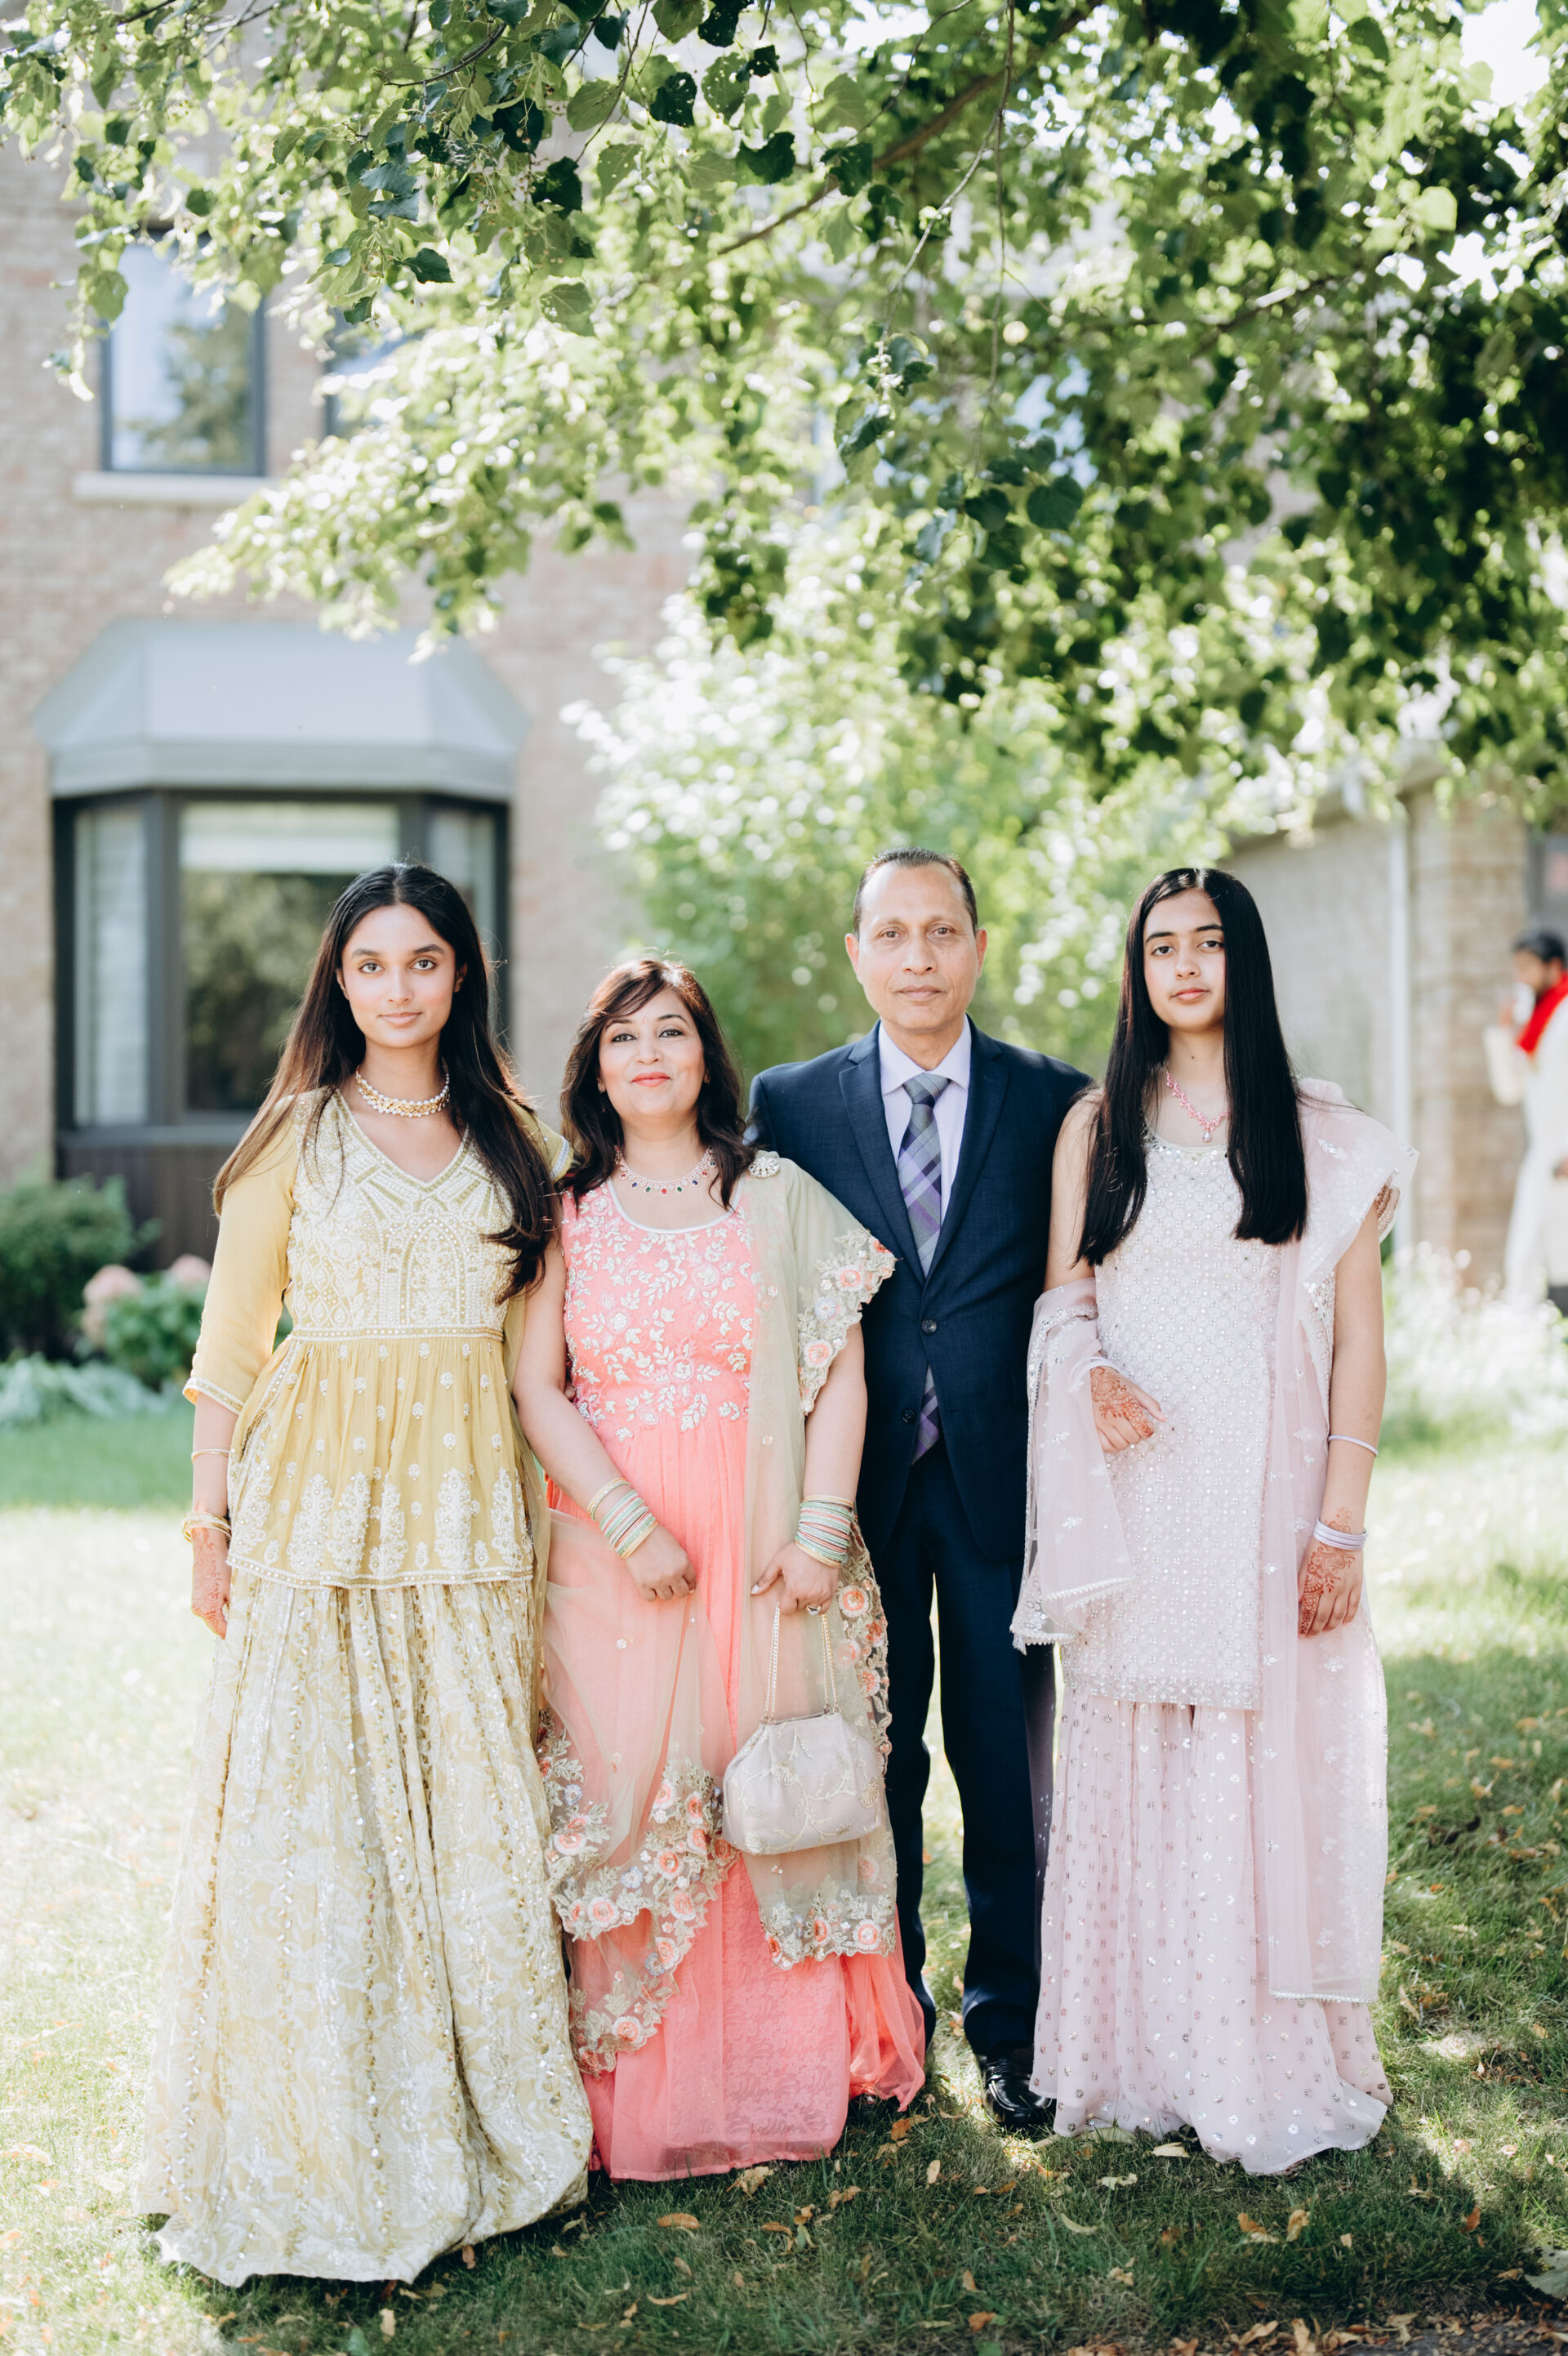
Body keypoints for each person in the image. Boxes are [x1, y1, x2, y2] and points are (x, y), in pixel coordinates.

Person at [139, 863, 592, 2285]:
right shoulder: (296, 1134)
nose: (400, 987)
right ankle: (313, 2133)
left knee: (466, 1806)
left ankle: (473, 2118)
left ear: (462, 974)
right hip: (315, 1516)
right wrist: (209, 1525)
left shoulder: (515, 1138)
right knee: (316, 1817)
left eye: (425, 960)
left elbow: (538, 1358)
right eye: (373, 963)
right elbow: (230, 1348)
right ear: (339, 979)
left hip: (463, 1515)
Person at [1018, 867, 1412, 2170]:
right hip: (1134, 1503)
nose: (1183, 966)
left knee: (1247, 1775)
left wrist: (1340, 1525)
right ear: (1137, 970)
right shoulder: (1097, 1127)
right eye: (1160, 947)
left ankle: (1256, 2064)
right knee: (1139, 1763)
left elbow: (1360, 1345)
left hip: (1264, 1500)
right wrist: (1089, 1372)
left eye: (1208, 943)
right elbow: (1065, 1298)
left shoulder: (1320, 1135)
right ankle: (1140, 2060)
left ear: (1245, 959)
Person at [514, 957, 925, 2182]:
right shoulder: (565, 1211)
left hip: (762, 1547)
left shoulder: (776, 1194)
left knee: (769, 1787)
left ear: (707, 1057)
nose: (648, 1057)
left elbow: (841, 1373)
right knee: (634, 1796)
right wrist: (627, 1521)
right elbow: (537, 1387)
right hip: (617, 1549)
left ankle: (779, 2078)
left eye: (671, 1034)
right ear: (595, 1069)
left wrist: (821, 1531)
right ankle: (644, 2093)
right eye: (624, 1039)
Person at [747, 850, 1088, 2133]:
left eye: (942, 933)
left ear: (979, 948)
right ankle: (889, 2028)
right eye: (892, 935)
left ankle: (1015, 2031)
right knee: (876, 1768)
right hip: (858, 1494)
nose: (919, 958)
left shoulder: (1053, 1100)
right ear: (857, 954)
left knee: (1003, 1770)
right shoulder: (793, 1105)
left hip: (1006, 1487)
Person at [1483, 926, 1568, 1312]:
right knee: (1525, 1264)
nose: (1521, 977)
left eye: (1528, 967)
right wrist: (1505, 1032)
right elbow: (1510, 1090)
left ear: (1554, 966)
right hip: (1544, 1160)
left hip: (1563, 1156)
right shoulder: (1537, 1021)